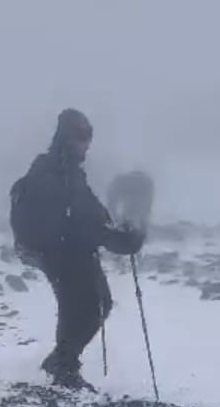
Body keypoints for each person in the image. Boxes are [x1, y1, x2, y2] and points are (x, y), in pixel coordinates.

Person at [10, 109, 144, 389]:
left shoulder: (67, 172)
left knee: (95, 305)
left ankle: (61, 362)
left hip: (67, 252)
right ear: (68, 139)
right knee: (81, 308)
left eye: (88, 138)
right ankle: (63, 367)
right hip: (61, 254)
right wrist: (120, 240)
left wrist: (114, 232)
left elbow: (91, 214)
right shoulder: (55, 174)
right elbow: (80, 220)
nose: (87, 145)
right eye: (83, 138)